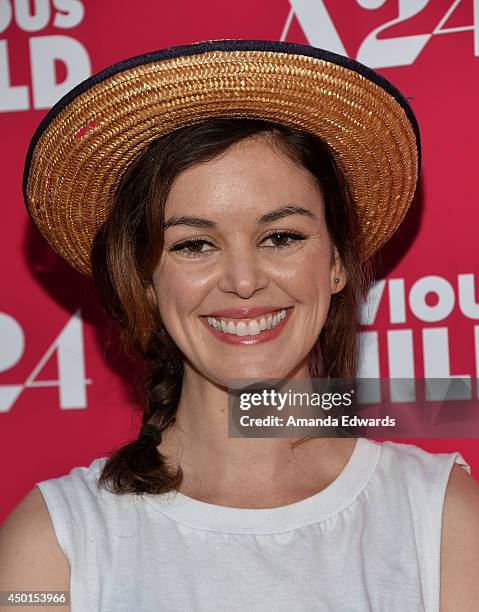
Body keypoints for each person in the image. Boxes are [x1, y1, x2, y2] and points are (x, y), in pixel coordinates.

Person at [1, 39, 478, 612]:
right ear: (146, 280)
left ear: (335, 262)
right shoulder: (54, 545)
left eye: (281, 236)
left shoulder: (443, 520)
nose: (244, 281)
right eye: (195, 244)